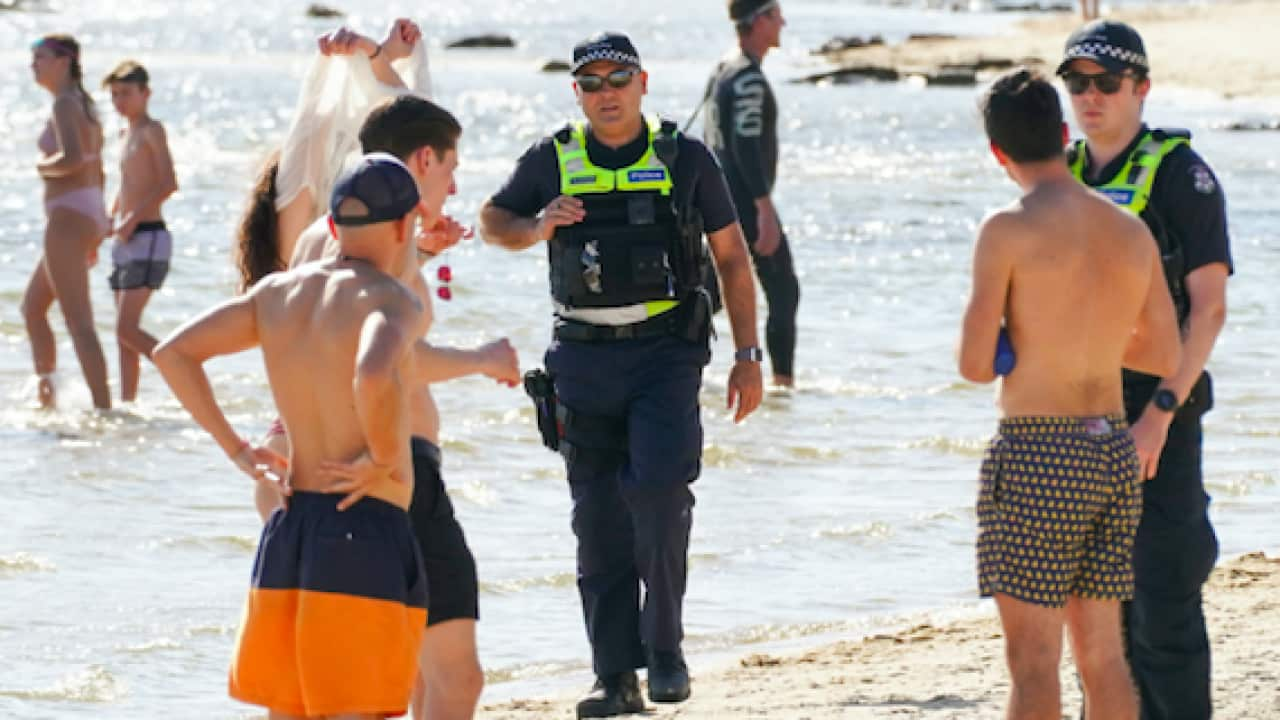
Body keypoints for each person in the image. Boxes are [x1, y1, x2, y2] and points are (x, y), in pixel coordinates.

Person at [479, 31, 764, 719]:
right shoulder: (552, 158)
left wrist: (749, 355)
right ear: (576, 92)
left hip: (665, 355)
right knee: (598, 520)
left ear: (643, 83)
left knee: (662, 496)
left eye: (617, 79)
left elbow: (731, 257)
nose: (605, 93)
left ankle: (664, 651)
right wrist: (537, 225)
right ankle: (615, 678)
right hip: (580, 359)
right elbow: (492, 222)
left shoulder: (685, 157)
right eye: (591, 82)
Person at [154, 153, 428, 719]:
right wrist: (383, 458)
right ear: (407, 226)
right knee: (359, 707)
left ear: (332, 227)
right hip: (364, 524)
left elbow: (173, 353)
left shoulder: (277, 294)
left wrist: (238, 450)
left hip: (291, 527)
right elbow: (374, 371)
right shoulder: (392, 298)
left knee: (292, 707)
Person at [959, 68, 1182, 720]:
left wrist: (1026, 342)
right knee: (1104, 659)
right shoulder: (1128, 229)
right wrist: (1092, 341)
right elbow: (1165, 354)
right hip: (1110, 447)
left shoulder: (1006, 229)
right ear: (1063, 134)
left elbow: (975, 365)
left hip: (1037, 452)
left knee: (1033, 668)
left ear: (998, 153)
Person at [292, 95, 519, 720]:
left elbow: (330, 338)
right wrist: (482, 358)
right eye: (450, 169)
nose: (454, 185)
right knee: (449, 679)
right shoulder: (380, 249)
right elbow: (385, 363)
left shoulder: (326, 232)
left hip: (330, 471)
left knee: (393, 676)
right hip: (392, 470)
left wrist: (421, 254)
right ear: (423, 159)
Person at [1057, 21, 1233, 719]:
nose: (1090, 96)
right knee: (1101, 627)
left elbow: (1209, 309)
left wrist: (1159, 415)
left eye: (1106, 83)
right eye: (1077, 83)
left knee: (1163, 608)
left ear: (1141, 88)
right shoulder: (1062, 173)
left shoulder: (1181, 177)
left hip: (1159, 415)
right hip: (1077, 418)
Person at [232, 18, 430, 296]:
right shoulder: (299, 201)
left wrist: (377, 56)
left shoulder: (329, 229)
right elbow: (410, 125)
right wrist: (374, 55)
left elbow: (405, 126)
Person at [702, 0, 799, 387]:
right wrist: (763, 206)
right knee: (783, 291)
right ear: (758, 21)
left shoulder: (725, 67)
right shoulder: (747, 80)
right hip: (741, 203)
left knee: (710, 296)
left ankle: (668, 365)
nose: (783, 23)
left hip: (717, 200)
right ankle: (783, 387)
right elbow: (744, 145)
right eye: (776, 15)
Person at [22, 34, 112, 410]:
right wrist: (100, 225)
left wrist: (40, 166)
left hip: (68, 219)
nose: (33, 64)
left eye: (39, 57)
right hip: (86, 213)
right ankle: (48, 399)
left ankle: (105, 409)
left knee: (79, 322)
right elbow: (98, 168)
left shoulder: (63, 103)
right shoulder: (82, 103)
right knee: (32, 308)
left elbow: (73, 159)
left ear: (63, 61)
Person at [102, 60, 179, 403]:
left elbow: (168, 182)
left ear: (145, 93)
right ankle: (127, 404)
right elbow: (127, 183)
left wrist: (132, 218)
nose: (120, 101)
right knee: (123, 335)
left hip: (149, 235)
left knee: (126, 328)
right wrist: (110, 216)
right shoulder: (124, 133)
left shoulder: (153, 130)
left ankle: (182, 368)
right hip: (124, 237)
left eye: (126, 94)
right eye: (115, 95)